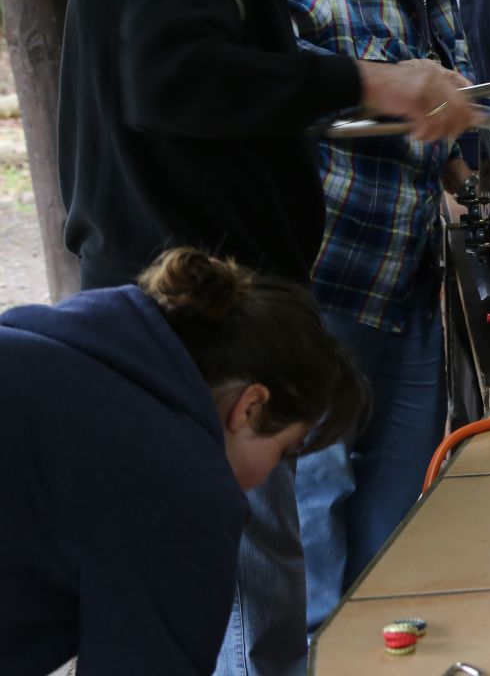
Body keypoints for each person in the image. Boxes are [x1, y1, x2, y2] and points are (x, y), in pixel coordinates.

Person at [55, 0, 476, 676]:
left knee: (249, 558)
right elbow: (177, 77)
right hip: (191, 305)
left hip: (204, 292)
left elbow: (215, 86)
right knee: (253, 566)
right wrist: (369, 79)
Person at [274, 0, 486, 631]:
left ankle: (374, 644)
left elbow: (443, 121)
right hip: (321, 286)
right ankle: (312, 653)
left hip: (410, 288)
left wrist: (473, 159)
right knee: (315, 496)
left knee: (399, 500)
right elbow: (261, 96)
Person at [0, 247, 367, 676]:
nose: (272, 472)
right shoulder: (185, 490)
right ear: (250, 407)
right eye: (285, 450)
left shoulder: (77, 336)